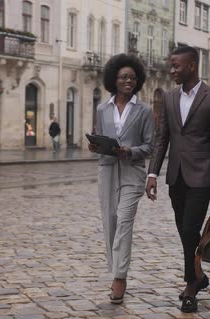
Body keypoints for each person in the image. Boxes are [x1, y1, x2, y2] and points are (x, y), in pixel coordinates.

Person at [145, 46, 210, 313]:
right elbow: (162, 138)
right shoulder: (168, 98)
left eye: (176, 66)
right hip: (175, 177)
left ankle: (191, 288)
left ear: (191, 65)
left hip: (201, 177)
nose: (172, 70)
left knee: (191, 229)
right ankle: (199, 274)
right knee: (184, 230)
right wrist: (153, 173)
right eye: (171, 65)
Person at [88, 54, 154, 304]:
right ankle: (115, 269)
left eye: (133, 78)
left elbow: (149, 146)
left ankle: (119, 277)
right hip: (107, 170)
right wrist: (95, 146)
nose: (129, 81)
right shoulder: (102, 108)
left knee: (124, 221)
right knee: (110, 223)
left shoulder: (144, 110)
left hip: (132, 171)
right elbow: (100, 137)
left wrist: (130, 151)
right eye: (124, 77)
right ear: (114, 80)